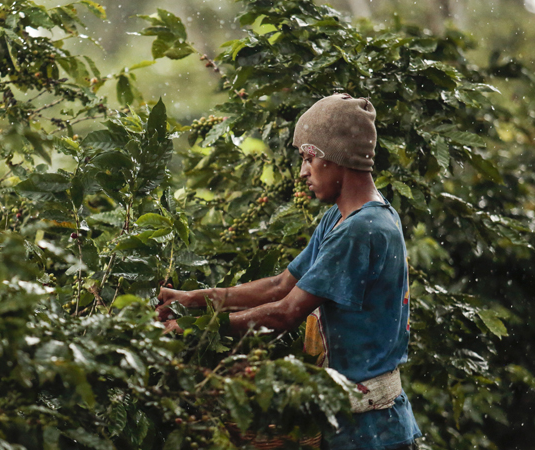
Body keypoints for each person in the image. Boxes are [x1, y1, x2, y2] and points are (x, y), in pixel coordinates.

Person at [155, 94, 422, 450]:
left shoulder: (361, 230)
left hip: (369, 432)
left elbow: (286, 313)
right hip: (354, 423)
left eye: (309, 158)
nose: (303, 172)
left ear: (338, 158)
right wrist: (194, 300)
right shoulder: (344, 217)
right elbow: (281, 285)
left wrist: (194, 331)